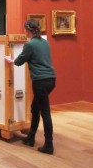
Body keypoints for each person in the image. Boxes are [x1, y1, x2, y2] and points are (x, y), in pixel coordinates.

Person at [5, 19, 56, 155]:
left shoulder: (30, 45)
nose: (24, 32)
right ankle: (31, 138)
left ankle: (49, 145)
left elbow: (20, 61)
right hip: (51, 79)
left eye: (24, 30)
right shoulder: (45, 42)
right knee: (35, 108)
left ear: (28, 30)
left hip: (40, 81)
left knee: (45, 112)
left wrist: (10, 60)